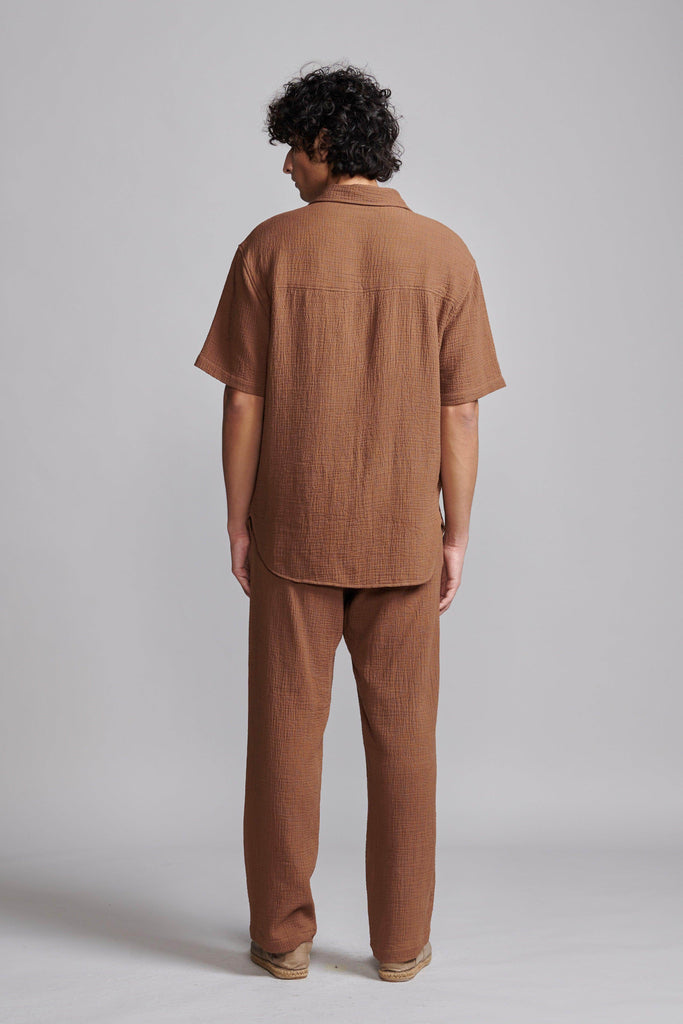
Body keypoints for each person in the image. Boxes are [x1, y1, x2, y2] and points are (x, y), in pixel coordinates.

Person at [194, 63, 506, 983]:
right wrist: (455, 533)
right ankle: (400, 945)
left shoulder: (269, 248)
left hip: (293, 531)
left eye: (292, 147)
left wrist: (238, 519)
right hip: (403, 537)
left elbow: (242, 399)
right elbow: (460, 411)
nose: (285, 165)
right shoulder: (444, 254)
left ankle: (283, 938)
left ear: (325, 142)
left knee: (283, 740)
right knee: (406, 743)